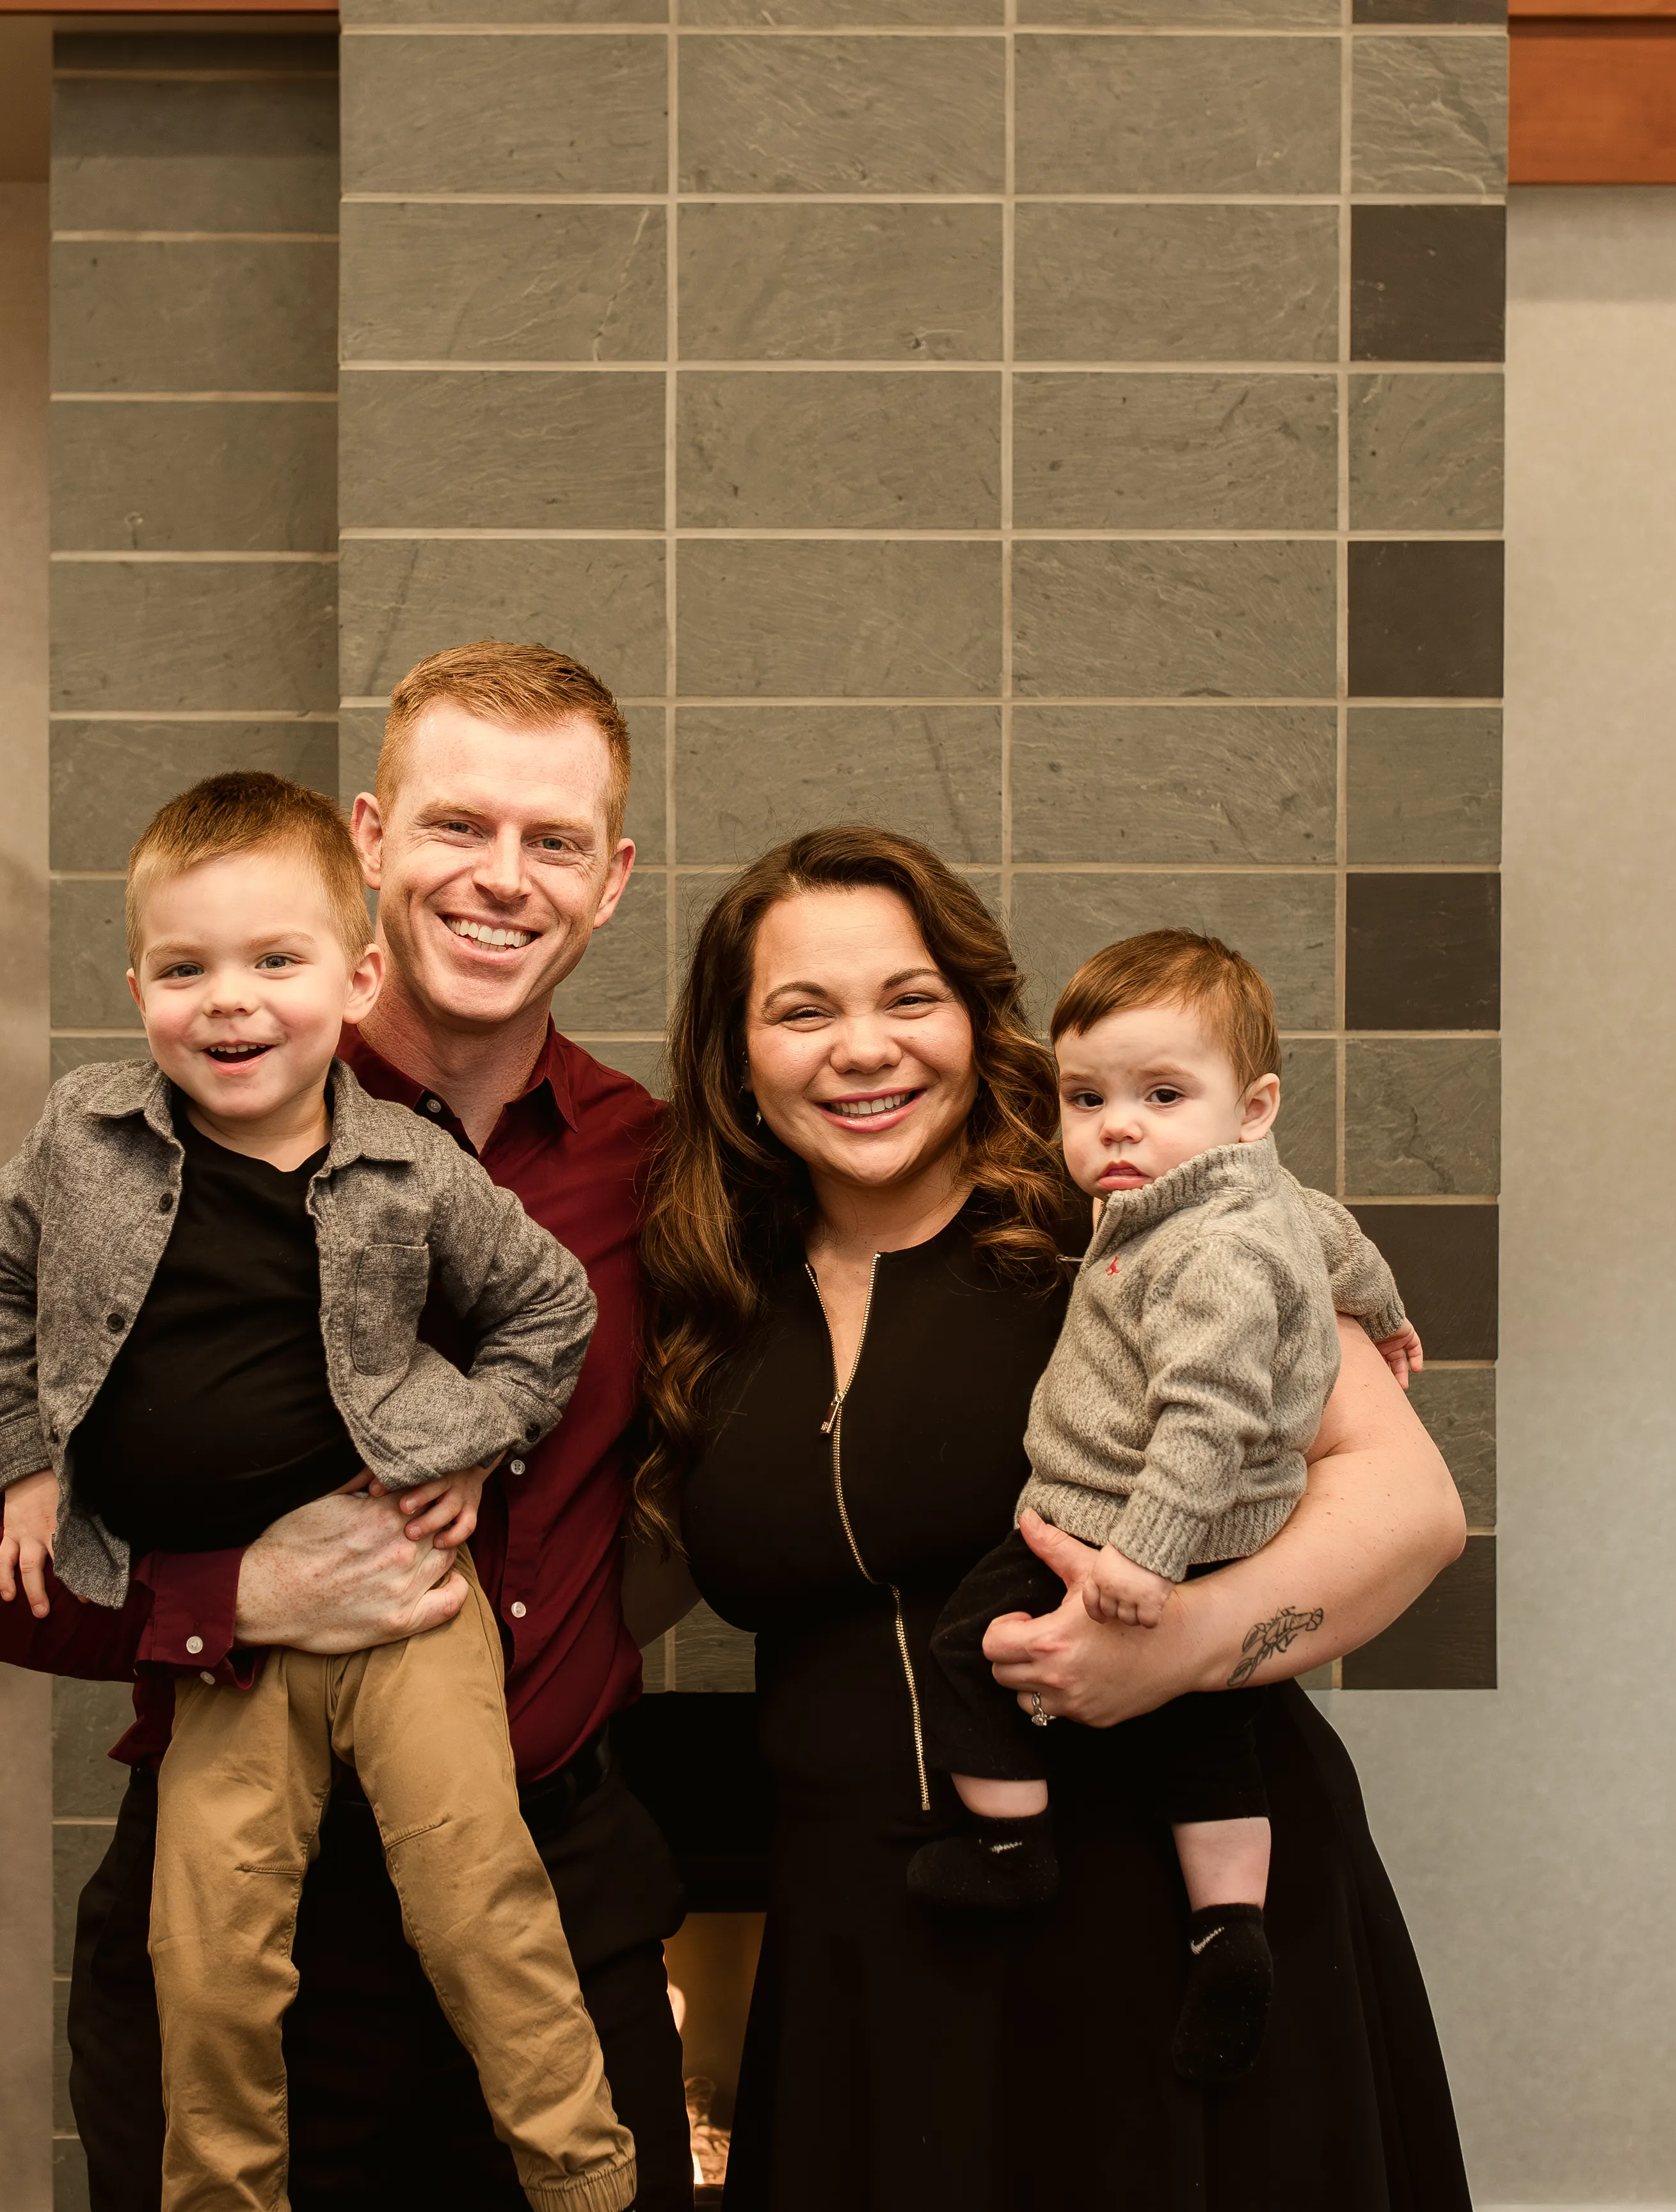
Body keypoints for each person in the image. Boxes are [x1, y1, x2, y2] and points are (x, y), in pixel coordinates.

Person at [0, 643, 690, 2212]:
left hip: (550, 1886)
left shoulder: (662, 1170)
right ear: (367, 838)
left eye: (551, 842)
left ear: (609, 880)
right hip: (252, 1893)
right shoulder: (141, 1149)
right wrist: (236, 1600)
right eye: (454, 826)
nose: (501, 880)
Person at [634, 827, 1475, 2211]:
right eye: (801, 1010)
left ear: (976, 1018)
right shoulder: (713, 1283)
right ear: (734, 1056)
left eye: (910, 999)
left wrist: (1184, 1639)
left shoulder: (1134, 1212)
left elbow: (1410, 1507)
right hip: (866, 1937)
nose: (863, 1049)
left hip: (1166, 1912)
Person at [909, 928, 1420, 2090]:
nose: (1116, 1127)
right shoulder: (1269, 1200)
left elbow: (1203, 1418)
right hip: (1229, 1544)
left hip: (1115, 1527)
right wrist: (1386, 1318)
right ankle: (1228, 1925)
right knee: (1207, 1737)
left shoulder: (1204, 1253)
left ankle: (1006, 1844)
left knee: (966, 1647)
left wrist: (1136, 1564)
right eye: (1083, 1098)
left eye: (1160, 1095)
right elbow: (1343, 1242)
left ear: (1253, 1107)